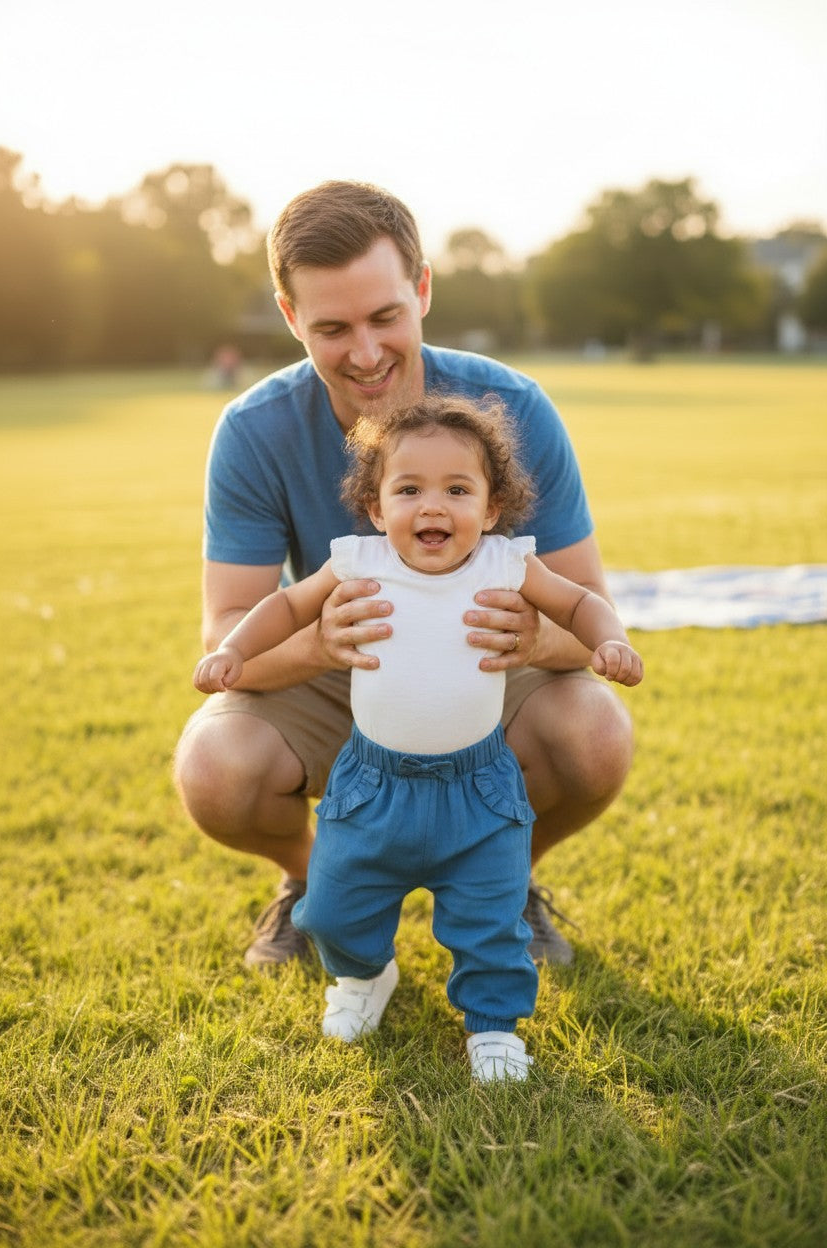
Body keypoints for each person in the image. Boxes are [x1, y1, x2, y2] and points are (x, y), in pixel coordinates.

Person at [174, 179, 636, 972]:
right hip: (338, 670)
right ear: (290, 318)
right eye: (331, 327)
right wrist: (318, 642)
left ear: (422, 289)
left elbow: (591, 608)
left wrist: (535, 636)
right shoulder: (254, 429)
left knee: (594, 737)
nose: (364, 351)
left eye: (385, 316)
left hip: (482, 669)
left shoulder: (514, 408)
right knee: (215, 770)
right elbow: (228, 633)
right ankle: (315, 880)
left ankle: (505, 883)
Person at [193, 396, 643, 1080]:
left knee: (491, 919)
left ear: (492, 509)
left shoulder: (507, 564)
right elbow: (282, 604)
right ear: (376, 508)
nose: (433, 507)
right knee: (338, 906)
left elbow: (580, 602)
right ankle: (363, 976)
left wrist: (607, 640)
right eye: (409, 490)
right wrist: (233, 650)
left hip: (479, 786)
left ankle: (493, 1028)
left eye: (457, 490)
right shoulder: (357, 562)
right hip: (372, 785)